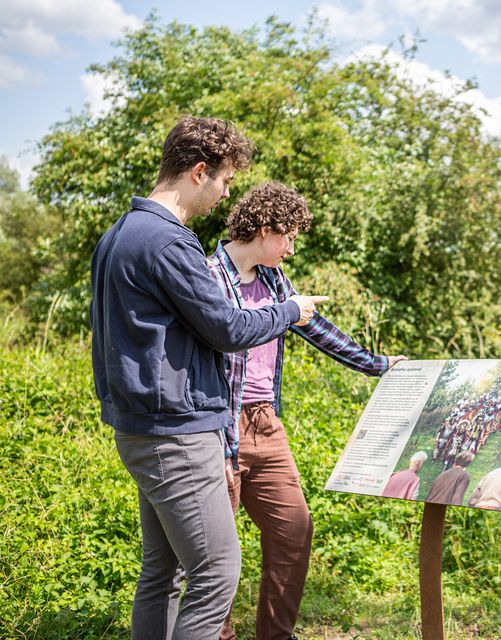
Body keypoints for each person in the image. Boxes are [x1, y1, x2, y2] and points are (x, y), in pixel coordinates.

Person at [90, 116, 326, 638]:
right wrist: (289, 311)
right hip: (177, 433)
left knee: (162, 573)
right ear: (199, 172)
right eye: (225, 180)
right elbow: (227, 328)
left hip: (139, 427)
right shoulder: (170, 242)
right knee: (216, 572)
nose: (226, 193)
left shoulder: (118, 235)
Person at [208, 181, 407, 640]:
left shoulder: (274, 280)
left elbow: (316, 328)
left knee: (293, 531)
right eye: (289, 238)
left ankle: (275, 636)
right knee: (215, 553)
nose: (292, 250)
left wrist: (377, 364)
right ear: (265, 229)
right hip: (218, 427)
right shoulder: (207, 275)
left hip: (266, 425)